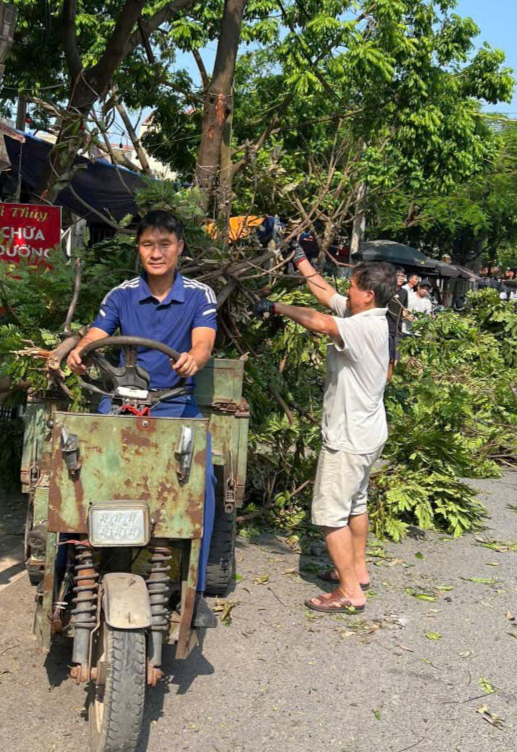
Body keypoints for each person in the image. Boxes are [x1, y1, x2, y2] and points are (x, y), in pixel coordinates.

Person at [67, 210, 218, 595]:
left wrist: (193, 359)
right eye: (148, 244)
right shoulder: (121, 294)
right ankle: (67, 576)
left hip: (175, 404)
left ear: (180, 248)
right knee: (75, 469)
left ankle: (195, 589)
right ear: (139, 249)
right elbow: (97, 334)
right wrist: (80, 351)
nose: (156, 253)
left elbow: (202, 343)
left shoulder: (200, 295)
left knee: (205, 481)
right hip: (121, 403)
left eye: (165, 244)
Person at [255, 254, 395, 614]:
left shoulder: (363, 327)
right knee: (356, 504)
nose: (346, 291)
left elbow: (319, 321)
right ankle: (358, 571)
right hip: (369, 433)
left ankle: (349, 591)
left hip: (348, 438)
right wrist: (300, 259)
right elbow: (327, 297)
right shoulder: (368, 315)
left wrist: (275, 306)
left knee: (330, 515)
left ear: (367, 295)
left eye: (353, 286)